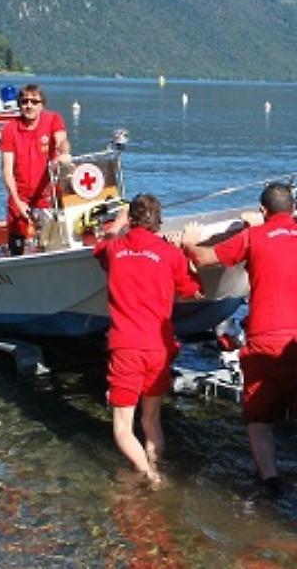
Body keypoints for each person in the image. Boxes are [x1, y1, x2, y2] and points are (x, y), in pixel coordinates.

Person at [182, 183, 297, 490]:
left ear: (264, 210)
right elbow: (286, 246)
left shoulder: (253, 237)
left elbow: (203, 258)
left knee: (259, 420)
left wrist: (189, 242)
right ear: (293, 209)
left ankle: (271, 482)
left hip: (268, 338)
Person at [93, 194, 202, 487]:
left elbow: (98, 248)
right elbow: (191, 288)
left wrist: (116, 227)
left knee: (122, 429)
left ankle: (151, 476)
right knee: (151, 420)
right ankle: (155, 462)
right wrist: (183, 249)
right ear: (159, 221)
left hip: (126, 347)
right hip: (159, 347)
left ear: (131, 219)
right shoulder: (169, 254)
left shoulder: (115, 249)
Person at [0, 84, 71, 255]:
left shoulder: (53, 119)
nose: (29, 105)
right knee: (16, 242)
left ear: (41, 105)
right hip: (21, 195)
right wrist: (17, 200)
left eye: (34, 101)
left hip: (48, 194)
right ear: (19, 104)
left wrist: (65, 153)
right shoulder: (10, 129)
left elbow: (62, 140)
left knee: (52, 242)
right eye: (24, 101)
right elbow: (7, 170)